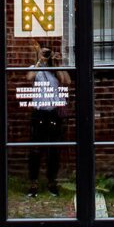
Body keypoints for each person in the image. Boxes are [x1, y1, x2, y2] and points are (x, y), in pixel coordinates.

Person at [25, 43, 71, 197]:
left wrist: (57, 63)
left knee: (54, 151)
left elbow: (67, 81)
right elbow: (28, 77)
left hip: (53, 114)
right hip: (39, 113)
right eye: (44, 52)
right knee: (36, 150)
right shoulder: (35, 68)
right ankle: (33, 183)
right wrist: (40, 61)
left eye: (47, 53)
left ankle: (52, 182)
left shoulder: (54, 70)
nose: (46, 55)